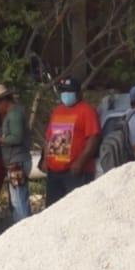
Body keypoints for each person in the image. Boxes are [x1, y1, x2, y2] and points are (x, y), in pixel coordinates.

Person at [42, 77, 101, 207]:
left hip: (75, 171)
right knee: (53, 209)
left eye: (69, 91)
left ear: (79, 93)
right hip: (54, 171)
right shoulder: (58, 110)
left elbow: (93, 138)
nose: (66, 94)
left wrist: (80, 161)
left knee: (75, 208)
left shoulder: (87, 110)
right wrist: (46, 159)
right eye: (63, 91)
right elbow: (49, 137)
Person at [0, 84, 32, 223]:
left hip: (16, 161)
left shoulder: (14, 114)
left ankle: (23, 227)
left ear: (3, 100)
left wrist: (0, 139)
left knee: (18, 199)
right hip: (16, 160)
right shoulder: (15, 112)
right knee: (18, 197)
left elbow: (16, 137)